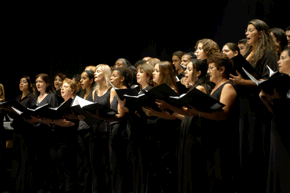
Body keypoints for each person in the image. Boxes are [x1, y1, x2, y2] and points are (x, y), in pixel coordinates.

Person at [230, 19, 278, 192]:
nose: (246, 33)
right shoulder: (249, 52)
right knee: (244, 148)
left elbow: (268, 81)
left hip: (257, 107)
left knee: (255, 147)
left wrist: (243, 82)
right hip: (243, 104)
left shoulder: (268, 53)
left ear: (261, 33)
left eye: (251, 30)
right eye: (246, 30)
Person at [156, 59, 212, 192]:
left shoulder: (201, 88)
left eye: (189, 69)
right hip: (189, 132)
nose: (185, 72)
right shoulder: (194, 87)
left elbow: (191, 114)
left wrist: (168, 106)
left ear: (198, 73)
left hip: (196, 135)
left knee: (193, 173)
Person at [186, 52, 239, 192]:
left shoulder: (227, 87)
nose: (208, 72)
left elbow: (223, 115)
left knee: (220, 179)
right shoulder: (215, 87)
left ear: (221, 70)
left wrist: (198, 113)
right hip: (211, 139)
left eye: (211, 68)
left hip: (222, 141)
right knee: (211, 178)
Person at [259, 48, 290, 193]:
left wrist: (280, 99)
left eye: (283, 58)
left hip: (287, 134)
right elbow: (276, 113)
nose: (278, 61)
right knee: (277, 168)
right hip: (278, 129)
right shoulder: (279, 81)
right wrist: (265, 99)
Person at [41, 78, 79, 192]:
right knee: (58, 172)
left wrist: (51, 121)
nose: (62, 88)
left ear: (72, 90)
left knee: (67, 172)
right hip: (57, 140)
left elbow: (71, 123)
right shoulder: (61, 103)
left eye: (66, 87)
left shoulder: (74, 103)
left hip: (68, 141)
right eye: (62, 86)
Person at [22, 73, 58, 192]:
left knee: (46, 164)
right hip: (35, 133)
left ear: (47, 83)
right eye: (36, 82)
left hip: (46, 134)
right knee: (36, 164)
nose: (38, 84)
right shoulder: (34, 98)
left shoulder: (51, 96)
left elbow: (54, 117)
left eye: (40, 82)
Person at [11, 76, 36, 192]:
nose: (21, 84)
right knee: (16, 159)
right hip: (16, 130)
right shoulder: (17, 97)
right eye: (20, 82)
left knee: (25, 159)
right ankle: (16, 185)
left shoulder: (32, 97)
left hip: (26, 131)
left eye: (24, 82)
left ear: (30, 85)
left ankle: (24, 187)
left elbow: (31, 114)